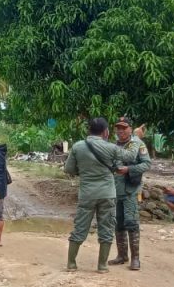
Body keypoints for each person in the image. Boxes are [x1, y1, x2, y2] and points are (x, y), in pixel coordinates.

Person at [63, 118, 140, 273]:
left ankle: (71, 264)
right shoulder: (111, 148)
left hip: (87, 194)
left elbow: (69, 169)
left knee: (80, 227)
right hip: (107, 194)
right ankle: (102, 266)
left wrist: (84, 171)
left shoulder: (78, 146)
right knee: (106, 228)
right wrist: (136, 137)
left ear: (88, 130)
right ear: (106, 132)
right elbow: (130, 156)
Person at [110, 117, 152, 271]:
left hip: (130, 190)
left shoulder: (137, 144)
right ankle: (122, 255)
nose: (120, 131)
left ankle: (135, 259)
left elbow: (147, 164)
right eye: (118, 128)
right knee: (118, 222)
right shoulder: (114, 145)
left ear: (130, 129)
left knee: (131, 222)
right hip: (115, 190)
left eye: (124, 128)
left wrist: (129, 169)